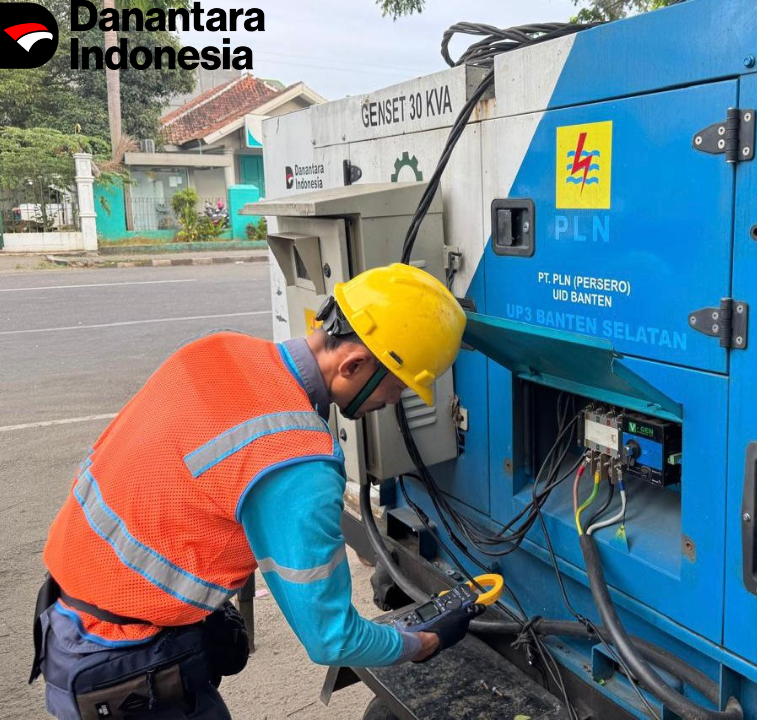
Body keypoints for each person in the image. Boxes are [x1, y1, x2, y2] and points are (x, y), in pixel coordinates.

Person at [30, 263, 471, 719]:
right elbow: (330, 638)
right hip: (126, 665)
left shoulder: (217, 349)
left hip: (66, 619)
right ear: (354, 364)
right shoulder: (299, 460)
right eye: (397, 386)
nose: (394, 402)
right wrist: (421, 643)